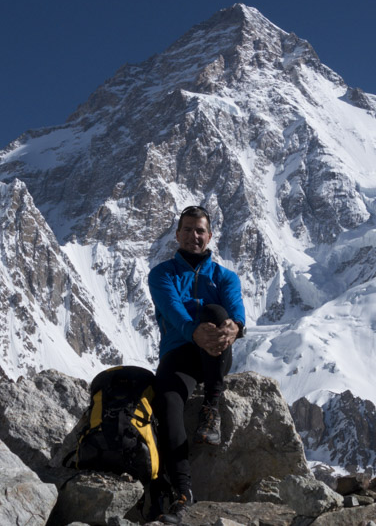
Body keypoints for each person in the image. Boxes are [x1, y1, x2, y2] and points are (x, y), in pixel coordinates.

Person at [148, 205, 245, 523]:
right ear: (177, 235)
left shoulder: (225, 277)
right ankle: (182, 491)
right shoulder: (162, 274)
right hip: (179, 353)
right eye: (187, 229)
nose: (194, 235)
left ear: (209, 236)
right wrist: (193, 331)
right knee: (167, 401)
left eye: (200, 230)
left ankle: (211, 408)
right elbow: (172, 310)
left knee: (217, 313)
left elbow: (236, 308)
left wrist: (235, 327)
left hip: (215, 353)